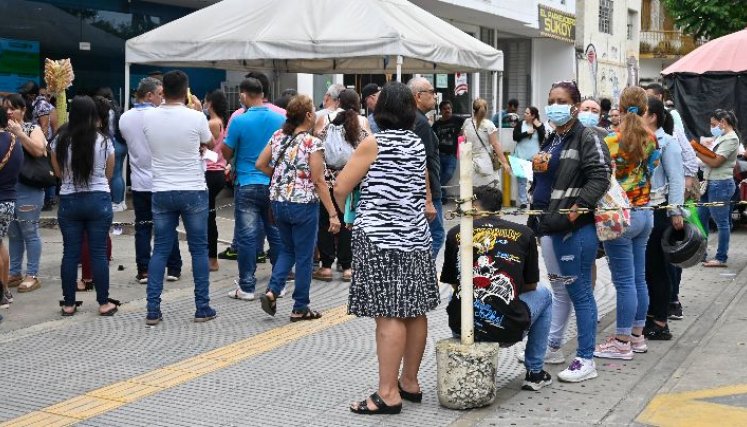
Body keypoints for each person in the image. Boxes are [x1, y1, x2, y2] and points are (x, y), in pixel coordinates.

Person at [334, 81, 439, 415]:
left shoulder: (373, 143)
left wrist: (347, 212)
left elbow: (341, 185)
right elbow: (423, 188)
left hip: (380, 238)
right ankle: (410, 382)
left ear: (381, 111)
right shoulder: (415, 143)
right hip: (416, 237)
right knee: (415, 310)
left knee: (389, 314)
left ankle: (387, 393)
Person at [529, 80, 610, 382]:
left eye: (561, 100)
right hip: (549, 227)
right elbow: (543, 179)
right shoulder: (553, 138)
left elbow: (600, 175)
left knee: (580, 293)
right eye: (552, 100)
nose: (555, 105)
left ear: (574, 105)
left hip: (574, 228)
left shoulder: (586, 137)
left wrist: (577, 208)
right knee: (561, 288)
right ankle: (554, 345)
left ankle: (586, 358)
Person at [441, 186, 554, 391]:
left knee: (457, 292)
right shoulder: (525, 233)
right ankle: (535, 373)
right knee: (545, 294)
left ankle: (470, 352)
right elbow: (531, 286)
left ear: (474, 206)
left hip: (462, 325)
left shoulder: (456, 233)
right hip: (508, 329)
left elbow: (453, 281)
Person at [256, 94, 340, 321]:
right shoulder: (313, 143)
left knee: (287, 249)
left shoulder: (278, 136)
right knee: (304, 256)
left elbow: (260, 163)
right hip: (303, 205)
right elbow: (319, 180)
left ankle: (273, 291)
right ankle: (300, 306)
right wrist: (333, 213)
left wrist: (282, 179)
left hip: (279, 202)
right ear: (309, 115)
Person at [142, 70, 215, 325]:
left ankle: (153, 310)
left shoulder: (149, 118)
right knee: (198, 249)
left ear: (163, 91)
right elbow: (211, 142)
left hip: (161, 188)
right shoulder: (196, 117)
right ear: (186, 91)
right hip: (193, 188)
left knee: (160, 248)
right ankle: (202, 307)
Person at [595, 86, 658, 360]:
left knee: (623, 282)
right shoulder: (652, 140)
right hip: (645, 213)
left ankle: (621, 342)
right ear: (646, 110)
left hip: (619, 216)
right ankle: (637, 336)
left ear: (618, 110)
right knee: (638, 278)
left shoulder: (611, 141)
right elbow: (652, 170)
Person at [50, 96, 119, 317]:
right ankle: (103, 303)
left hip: (69, 200)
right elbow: (109, 174)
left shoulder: (59, 140)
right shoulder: (104, 141)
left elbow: (59, 173)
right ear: (92, 115)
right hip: (98, 199)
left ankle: (69, 304)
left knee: (70, 253)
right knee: (98, 252)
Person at [222, 77, 285, 301]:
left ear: (244, 95)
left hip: (247, 183)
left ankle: (247, 287)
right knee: (276, 234)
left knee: (247, 237)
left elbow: (226, 150)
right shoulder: (281, 118)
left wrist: (234, 157)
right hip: (273, 183)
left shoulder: (239, 120)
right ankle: (279, 283)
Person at [119, 77, 182, 284]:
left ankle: (144, 269)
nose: (162, 98)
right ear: (149, 95)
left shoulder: (125, 118)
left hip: (139, 182)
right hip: (163, 180)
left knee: (143, 227)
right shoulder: (161, 116)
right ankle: (173, 267)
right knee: (167, 226)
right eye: (160, 94)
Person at [313, 89, 367, 282]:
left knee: (327, 219)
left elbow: (316, 146)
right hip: (352, 177)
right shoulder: (362, 122)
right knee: (348, 220)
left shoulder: (324, 119)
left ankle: (326, 266)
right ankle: (347, 267)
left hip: (327, 176)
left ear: (338, 102)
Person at [643, 95, 685, 341]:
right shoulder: (637, 141)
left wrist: (675, 211)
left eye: (640, 112)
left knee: (657, 269)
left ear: (653, 117)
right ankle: (648, 317)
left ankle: (660, 321)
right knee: (645, 269)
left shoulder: (667, 143)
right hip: (639, 211)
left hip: (659, 212)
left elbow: (676, 178)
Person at [3, 94, 48, 297]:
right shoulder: (3, 131)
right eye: (6, 108)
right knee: (13, 233)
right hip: (9, 191)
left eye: (13, 108)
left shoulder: (32, 128)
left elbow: (39, 151)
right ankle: (14, 272)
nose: (9, 112)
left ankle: (32, 273)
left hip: (29, 189)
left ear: (23, 110)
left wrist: (20, 134)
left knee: (29, 231)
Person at [696, 109, 740, 267]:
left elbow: (715, 162)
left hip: (720, 184)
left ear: (723, 122)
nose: (711, 127)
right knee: (701, 219)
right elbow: (710, 156)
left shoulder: (731, 139)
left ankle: (721, 257)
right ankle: (701, 253)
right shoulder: (721, 136)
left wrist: (696, 150)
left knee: (721, 222)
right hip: (709, 182)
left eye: (714, 124)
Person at [408, 77, 442, 256]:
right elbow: (423, 163)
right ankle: (421, 273)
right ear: (418, 96)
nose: (435, 96)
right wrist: (428, 199)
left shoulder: (414, 119)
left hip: (417, 190)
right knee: (436, 235)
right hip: (426, 190)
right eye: (431, 92)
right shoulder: (420, 123)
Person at [0, 106, 25, 318]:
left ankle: (1, 294)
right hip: (8, 201)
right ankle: (5, 290)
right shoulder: (15, 141)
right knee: (1, 243)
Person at [204, 90, 229, 272]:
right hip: (219, 171)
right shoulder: (222, 122)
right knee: (209, 215)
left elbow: (205, 149)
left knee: (208, 217)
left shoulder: (212, 123)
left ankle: (211, 258)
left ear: (210, 103)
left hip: (211, 171)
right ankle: (211, 258)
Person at [463, 98, 511, 188]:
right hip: (486, 162)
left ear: (473, 110)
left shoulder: (467, 123)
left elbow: (463, 140)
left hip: (470, 162)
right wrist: (504, 162)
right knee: (489, 192)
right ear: (486, 110)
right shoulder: (489, 125)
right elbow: (495, 144)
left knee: (473, 192)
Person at [95, 87, 126, 212]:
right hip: (121, 143)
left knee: (114, 174)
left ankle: (116, 202)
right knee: (119, 174)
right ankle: (121, 201)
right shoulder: (116, 108)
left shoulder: (105, 110)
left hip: (112, 143)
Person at [432, 100, 465, 203]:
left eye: (449, 108)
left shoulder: (458, 120)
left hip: (452, 155)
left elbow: (469, 124)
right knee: (439, 175)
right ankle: (442, 196)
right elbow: (432, 138)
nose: (447, 110)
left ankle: (436, 189)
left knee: (448, 174)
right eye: (445, 109)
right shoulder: (436, 124)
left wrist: (463, 132)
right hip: (438, 155)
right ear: (441, 111)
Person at [513, 106, 545, 209]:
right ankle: (523, 201)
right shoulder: (520, 124)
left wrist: (539, 127)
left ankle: (535, 200)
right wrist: (527, 133)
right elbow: (515, 137)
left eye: (527, 113)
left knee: (537, 180)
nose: (525, 115)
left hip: (535, 157)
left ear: (533, 116)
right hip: (520, 155)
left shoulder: (539, 126)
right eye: (525, 113)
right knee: (521, 181)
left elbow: (543, 138)